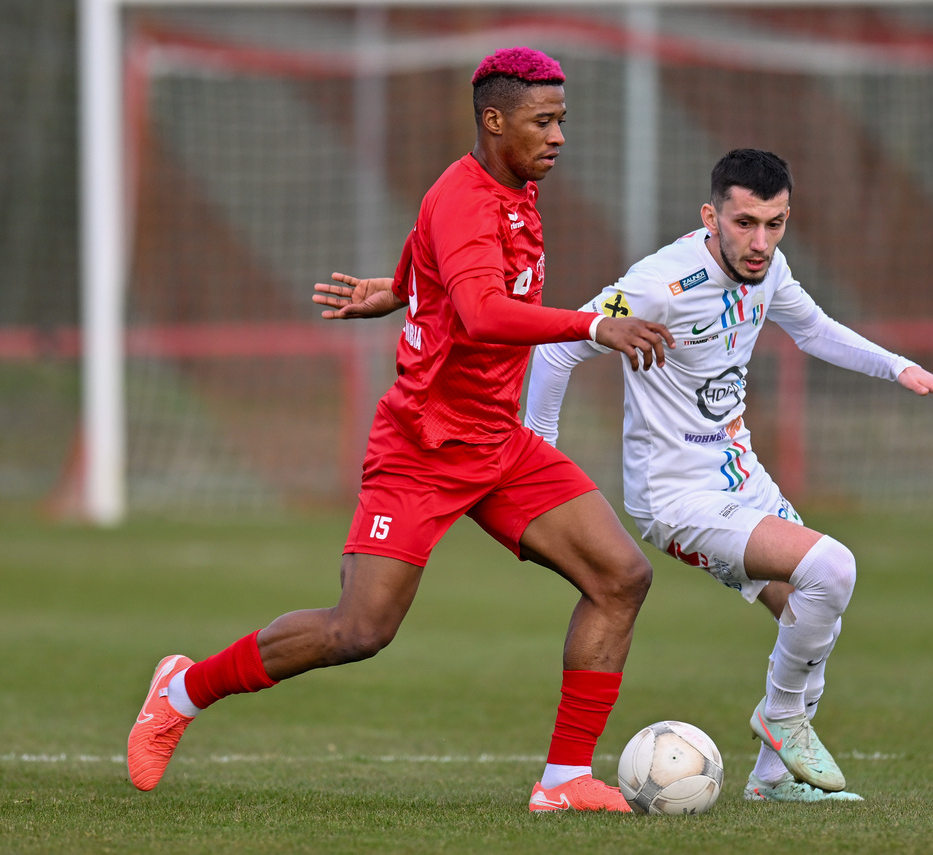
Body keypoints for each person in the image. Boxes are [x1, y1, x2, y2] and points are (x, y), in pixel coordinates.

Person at [126, 46, 676, 813]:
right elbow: (484, 312)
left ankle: (563, 781)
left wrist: (397, 292)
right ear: (494, 120)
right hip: (422, 446)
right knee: (359, 629)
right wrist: (597, 325)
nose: (558, 137)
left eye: (562, 121)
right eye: (542, 122)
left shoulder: (514, 189)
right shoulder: (464, 197)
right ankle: (182, 690)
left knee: (621, 576)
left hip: (497, 440)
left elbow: (445, 270)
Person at [523, 148, 933, 803]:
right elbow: (561, 343)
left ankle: (773, 778)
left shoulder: (770, 269)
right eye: (744, 223)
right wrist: (540, 449)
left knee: (812, 610)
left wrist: (901, 368)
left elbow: (814, 330)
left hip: (741, 479)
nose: (759, 241)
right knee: (834, 567)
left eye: (775, 223)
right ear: (711, 216)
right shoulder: (660, 282)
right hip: (675, 495)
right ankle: (783, 717)